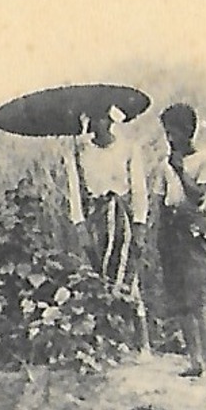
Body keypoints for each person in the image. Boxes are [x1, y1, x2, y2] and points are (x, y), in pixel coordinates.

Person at [64, 106, 150, 345]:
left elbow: (139, 189)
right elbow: (75, 191)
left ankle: (141, 342)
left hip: (121, 217)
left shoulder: (128, 148)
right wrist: (79, 224)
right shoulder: (79, 151)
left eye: (101, 118)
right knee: (96, 276)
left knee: (126, 274)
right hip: (95, 218)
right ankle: (105, 338)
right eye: (92, 118)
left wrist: (140, 224)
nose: (96, 123)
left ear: (111, 120)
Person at [154, 103, 206, 382]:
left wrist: (181, 170)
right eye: (167, 133)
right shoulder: (165, 164)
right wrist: (159, 236)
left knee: (197, 299)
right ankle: (194, 360)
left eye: (175, 133)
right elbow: (161, 200)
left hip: (192, 230)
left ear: (189, 131)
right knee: (179, 299)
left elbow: (198, 197)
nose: (170, 139)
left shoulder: (205, 158)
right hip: (171, 231)